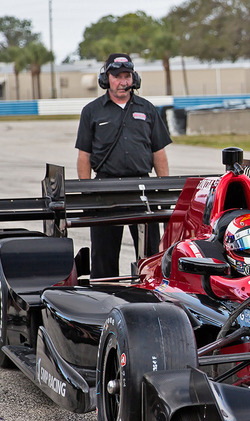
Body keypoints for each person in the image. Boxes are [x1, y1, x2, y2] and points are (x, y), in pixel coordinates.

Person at [75, 53, 172, 278]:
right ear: (106, 78)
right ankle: (105, 295)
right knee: (104, 254)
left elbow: (159, 153)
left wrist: (163, 191)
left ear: (134, 78)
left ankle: (150, 294)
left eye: (126, 76)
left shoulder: (148, 109)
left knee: (150, 253)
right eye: (116, 76)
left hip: (142, 188)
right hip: (105, 189)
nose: (122, 81)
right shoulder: (92, 111)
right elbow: (84, 156)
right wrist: (86, 193)